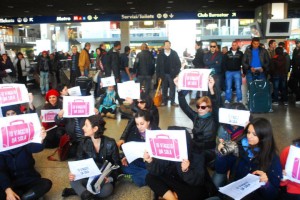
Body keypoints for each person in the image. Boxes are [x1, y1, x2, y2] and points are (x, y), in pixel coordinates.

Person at [214, 118, 282, 199]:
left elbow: (273, 195)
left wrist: (266, 184)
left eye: (254, 134)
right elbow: (220, 169)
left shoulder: (272, 158)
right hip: (233, 195)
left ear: (264, 136)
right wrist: (221, 155)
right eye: (248, 132)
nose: (249, 136)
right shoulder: (238, 147)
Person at [144, 130, 215, 200]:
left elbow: (198, 181)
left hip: (190, 185)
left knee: (196, 193)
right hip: (175, 180)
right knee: (149, 177)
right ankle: (173, 197)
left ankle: (172, 194)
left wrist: (186, 170)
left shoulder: (197, 154)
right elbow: (158, 171)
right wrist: (150, 162)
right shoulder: (168, 150)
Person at [0, 105, 52, 200]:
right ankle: (27, 196)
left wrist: (41, 139)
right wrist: (8, 190)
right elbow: (1, 169)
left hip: (27, 177)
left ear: (18, 114)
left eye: (13, 113)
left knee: (46, 183)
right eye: (8, 114)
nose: (11, 116)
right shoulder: (1, 138)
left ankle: (23, 197)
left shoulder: (25, 133)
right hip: (10, 180)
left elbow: (36, 148)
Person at [66, 115, 120, 200]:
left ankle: (82, 192)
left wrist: (109, 178)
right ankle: (87, 196)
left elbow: (117, 166)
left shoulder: (111, 143)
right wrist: (73, 172)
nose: (83, 127)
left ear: (95, 129)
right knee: (73, 179)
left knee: (107, 190)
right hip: (88, 175)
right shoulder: (83, 142)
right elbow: (79, 161)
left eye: (86, 125)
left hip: (102, 178)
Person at [175, 76, 220, 165]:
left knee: (195, 159)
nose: (199, 109)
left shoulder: (214, 118)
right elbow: (185, 107)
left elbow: (215, 105)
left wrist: (211, 89)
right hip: (196, 148)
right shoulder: (195, 116)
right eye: (198, 106)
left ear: (209, 108)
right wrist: (179, 89)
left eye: (203, 107)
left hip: (208, 151)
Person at [212, 103, 250, 187]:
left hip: (241, 163)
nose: (234, 118)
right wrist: (219, 150)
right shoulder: (223, 128)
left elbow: (250, 152)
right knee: (215, 184)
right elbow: (216, 150)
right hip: (225, 161)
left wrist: (247, 130)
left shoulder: (249, 129)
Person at [120, 110, 160, 187]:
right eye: (137, 124)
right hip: (138, 161)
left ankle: (135, 177)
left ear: (148, 122)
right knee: (123, 166)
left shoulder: (157, 131)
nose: (139, 127)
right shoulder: (134, 130)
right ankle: (145, 176)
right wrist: (127, 156)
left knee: (157, 171)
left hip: (151, 162)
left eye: (142, 124)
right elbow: (129, 146)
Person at [156, 40, 181, 107]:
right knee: (164, 88)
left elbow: (178, 64)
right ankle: (164, 101)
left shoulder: (174, 53)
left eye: (168, 44)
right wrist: (158, 75)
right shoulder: (160, 54)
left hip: (172, 75)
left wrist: (176, 72)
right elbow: (158, 65)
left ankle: (172, 102)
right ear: (164, 46)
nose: (167, 46)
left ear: (170, 45)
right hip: (163, 74)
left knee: (172, 88)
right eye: (165, 45)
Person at [189, 40, 205, 105]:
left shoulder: (199, 52)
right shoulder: (202, 52)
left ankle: (193, 98)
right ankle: (201, 97)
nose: (194, 46)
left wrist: (193, 62)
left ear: (199, 46)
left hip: (198, 69)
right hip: (201, 69)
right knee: (201, 84)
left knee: (196, 84)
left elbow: (196, 61)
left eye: (195, 45)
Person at [290, 40, 300, 104]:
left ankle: (298, 98)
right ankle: (298, 98)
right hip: (295, 70)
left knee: (297, 84)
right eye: (297, 43)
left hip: (297, 70)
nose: (298, 45)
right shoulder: (295, 50)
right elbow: (294, 60)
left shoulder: (296, 51)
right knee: (295, 84)